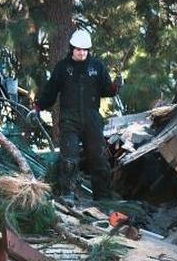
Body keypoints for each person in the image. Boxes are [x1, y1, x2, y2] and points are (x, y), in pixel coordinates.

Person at [33, 28, 119, 198]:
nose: (82, 53)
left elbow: (106, 90)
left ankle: (103, 200)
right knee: (69, 160)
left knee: (99, 160)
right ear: (72, 48)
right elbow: (50, 91)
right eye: (78, 49)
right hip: (69, 120)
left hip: (92, 119)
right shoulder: (62, 68)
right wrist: (38, 107)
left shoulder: (97, 66)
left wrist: (115, 87)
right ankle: (67, 195)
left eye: (85, 50)